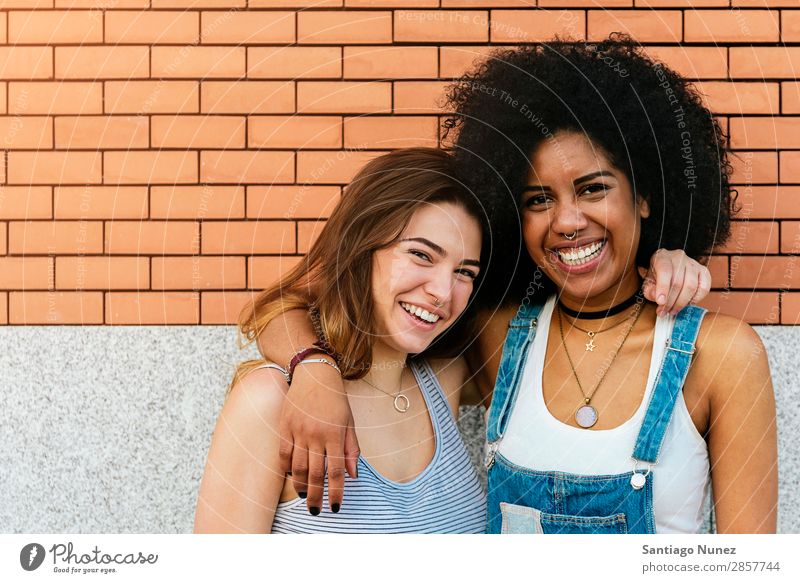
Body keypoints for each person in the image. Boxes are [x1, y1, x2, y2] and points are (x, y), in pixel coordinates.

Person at [263, 38, 777, 534]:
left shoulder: (722, 355)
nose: (567, 221)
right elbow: (282, 307)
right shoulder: (502, 334)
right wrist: (313, 369)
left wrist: (662, 253)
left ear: (646, 195)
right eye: (538, 200)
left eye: (592, 188)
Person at [194, 148, 488, 533]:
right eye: (420, 254)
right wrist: (315, 367)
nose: (443, 292)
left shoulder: (444, 379)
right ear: (360, 249)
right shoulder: (270, 401)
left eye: (464, 272)